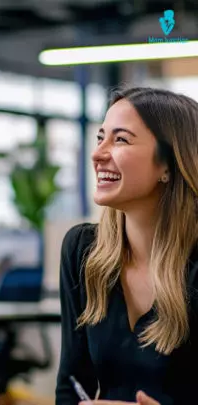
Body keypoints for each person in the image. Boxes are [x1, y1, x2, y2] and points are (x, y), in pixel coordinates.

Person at [55, 86, 198, 405]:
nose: (98, 154)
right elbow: (71, 384)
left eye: (120, 139)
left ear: (168, 163)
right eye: (100, 137)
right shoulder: (82, 250)